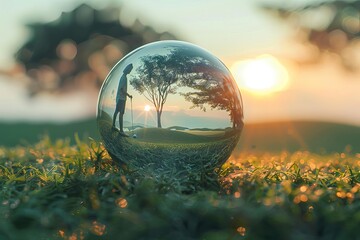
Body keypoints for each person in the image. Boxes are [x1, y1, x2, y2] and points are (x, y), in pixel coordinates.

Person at [112, 63, 133, 136]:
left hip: (120, 98)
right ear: (127, 70)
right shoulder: (124, 78)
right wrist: (129, 95)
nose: (130, 71)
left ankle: (113, 125)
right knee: (121, 113)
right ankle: (121, 130)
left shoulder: (122, 77)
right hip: (122, 98)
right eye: (130, 70)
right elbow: (121, 89)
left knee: (116, 111)